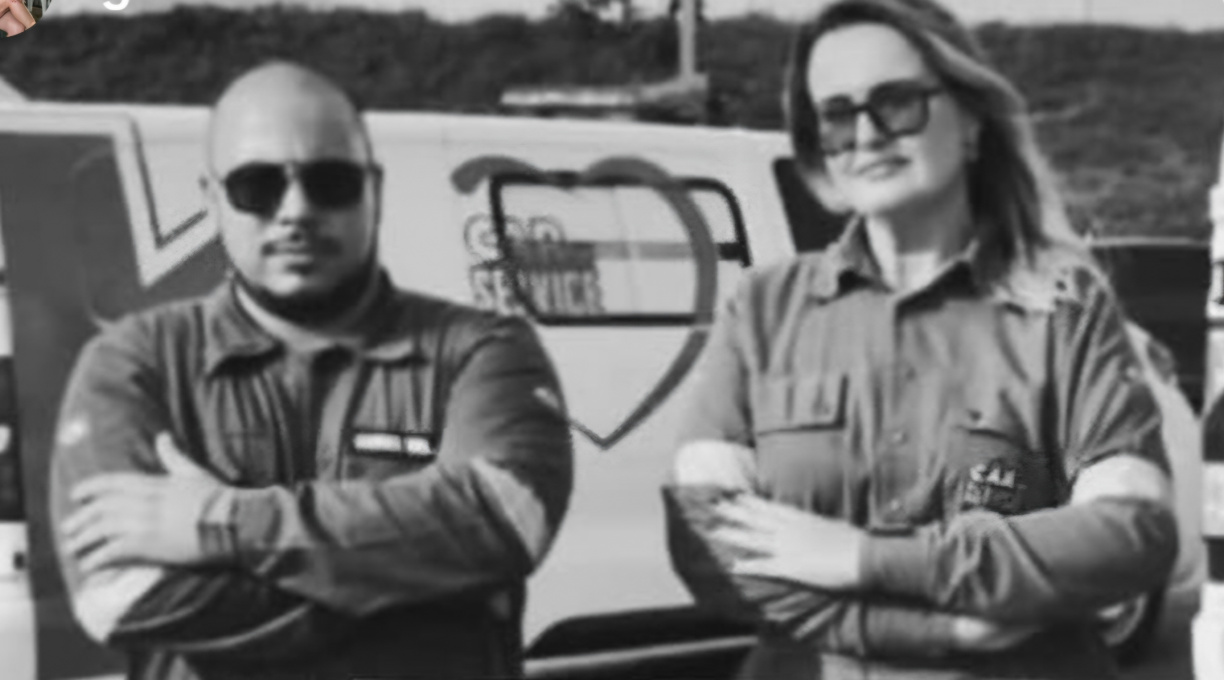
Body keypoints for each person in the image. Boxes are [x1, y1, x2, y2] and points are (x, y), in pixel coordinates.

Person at [663, 0, 1178, 678]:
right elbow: (706, 544)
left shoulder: (1064, 309)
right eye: (837, 115)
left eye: (896, 103)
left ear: (971, 120)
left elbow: (1133, 532)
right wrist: (943, 629)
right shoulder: (761, 310)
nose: (866, 134)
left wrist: (867, 558)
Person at [49, 61, 574, 680]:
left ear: (375, 189)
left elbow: (506, 518)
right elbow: (122, 596)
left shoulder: (483, 348)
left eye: (331, 182)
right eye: (257, 186)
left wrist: (222, 522)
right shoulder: (135, 362)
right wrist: (429, 598)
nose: (296, 210)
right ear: (211, 200)